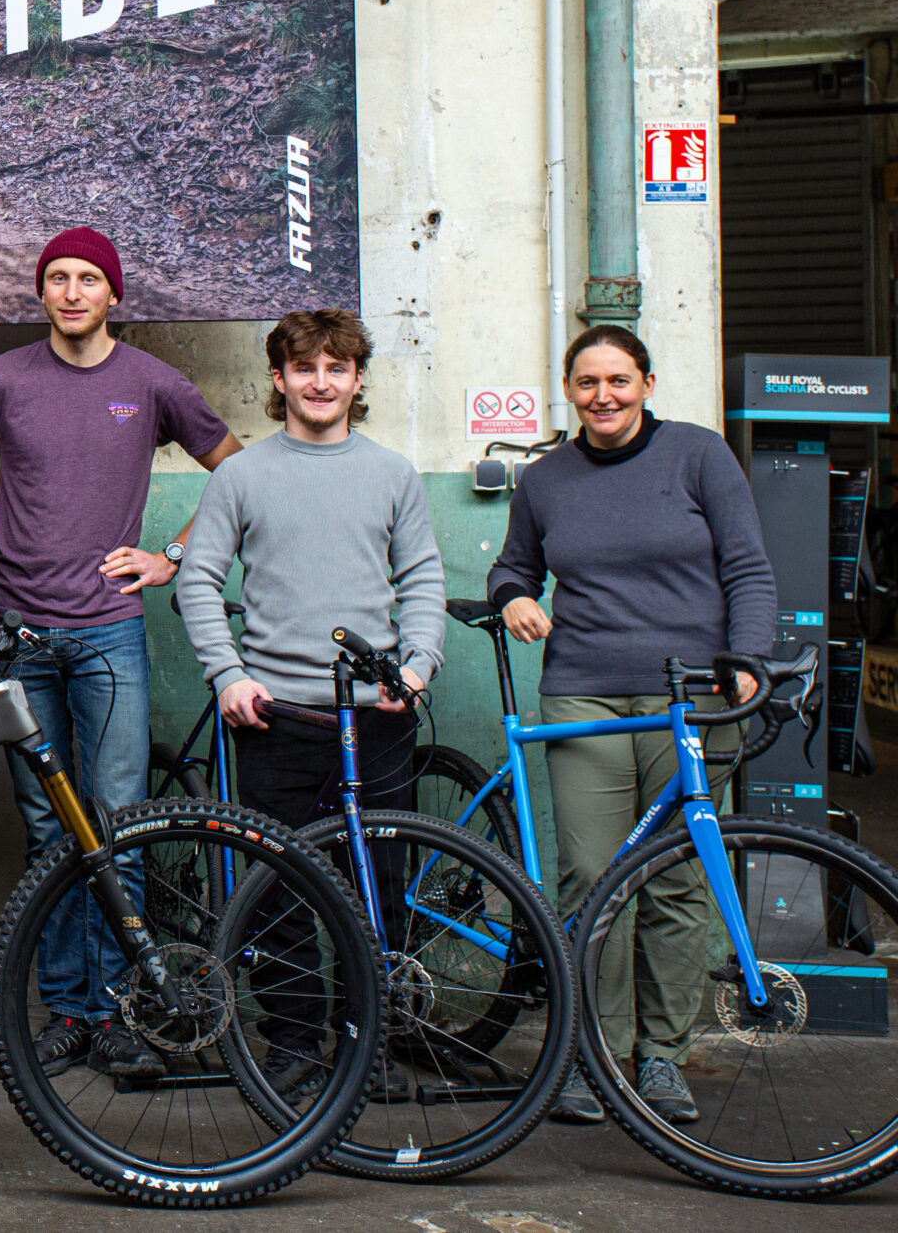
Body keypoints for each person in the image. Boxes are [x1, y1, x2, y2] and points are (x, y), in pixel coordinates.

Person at [0, 226, 241, 1084]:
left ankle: (118, 1012)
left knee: (117, 828)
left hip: (110, 631)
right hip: (21, 635)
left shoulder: (152, 382)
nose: (72, 292)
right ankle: (68, 1009)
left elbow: (238, 472)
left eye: (88, 279)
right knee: (48, 830)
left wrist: (169, 555)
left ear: (114, 293)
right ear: (41, 291)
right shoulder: (1, 377)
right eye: (58, 278)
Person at [487, 325, 774, 1128]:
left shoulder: (699, 454)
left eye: (619, 379)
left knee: (677, 875)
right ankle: (595, 1053)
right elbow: (513, 565)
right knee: (591, 873)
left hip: (691, 697)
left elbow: (747, 567)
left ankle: (662, 1056)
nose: (603, 395)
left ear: (647, 382)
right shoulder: (546, 478)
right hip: (584, 692)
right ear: (569, 391)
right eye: (587, 382)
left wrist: (748, 657)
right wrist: (514, 595)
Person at [175, 309, 444, 1101]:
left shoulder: (393, 473)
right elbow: (199, 578)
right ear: (279, 379)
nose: (320, 382)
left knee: (377, 892)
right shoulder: (241, 475)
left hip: (377, 718)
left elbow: (422, 576)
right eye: (305, 367)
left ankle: (372, 1042)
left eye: (337, 368)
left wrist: (418, 665)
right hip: (276, 716)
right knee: (280, 893)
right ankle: (293, 1045)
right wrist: (228, 674)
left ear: (357, 380)